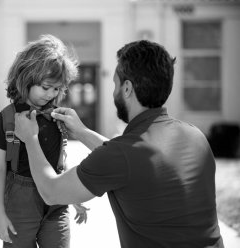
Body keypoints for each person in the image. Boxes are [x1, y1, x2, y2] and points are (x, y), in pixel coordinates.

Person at [14, 40, 224, 247]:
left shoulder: (121, 155)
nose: (113, 92)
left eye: (114, 84)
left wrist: (31, 138)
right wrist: (82, 131)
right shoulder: (195, 136)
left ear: (126, 89)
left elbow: (51, 192)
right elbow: (133, 161)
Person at [0, 34, 89, 248]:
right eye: (45, 87)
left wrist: (73, 195)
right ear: (26, 78)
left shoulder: (56, 117)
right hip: (19, 203)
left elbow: (58, 160)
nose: (51, 94)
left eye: (56, 89)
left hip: (57, 203)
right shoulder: (6, 118)